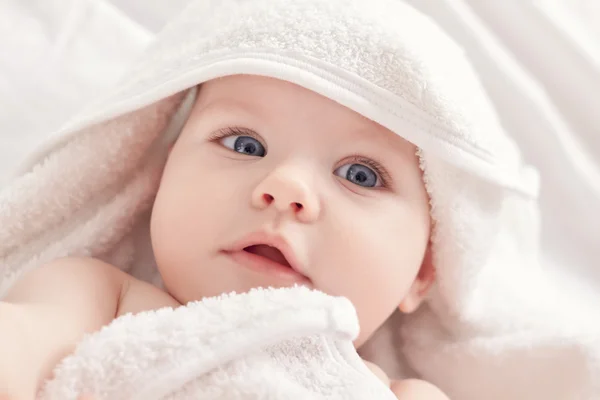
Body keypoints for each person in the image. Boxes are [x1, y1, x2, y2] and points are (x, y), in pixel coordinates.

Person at [0, 75, 449, 399]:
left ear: (422, 273)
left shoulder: (399, 394)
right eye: (244, 145)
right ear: (164, 174)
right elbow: (17, 344)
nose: (286, 185)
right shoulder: (99, 298)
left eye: (360, 175)